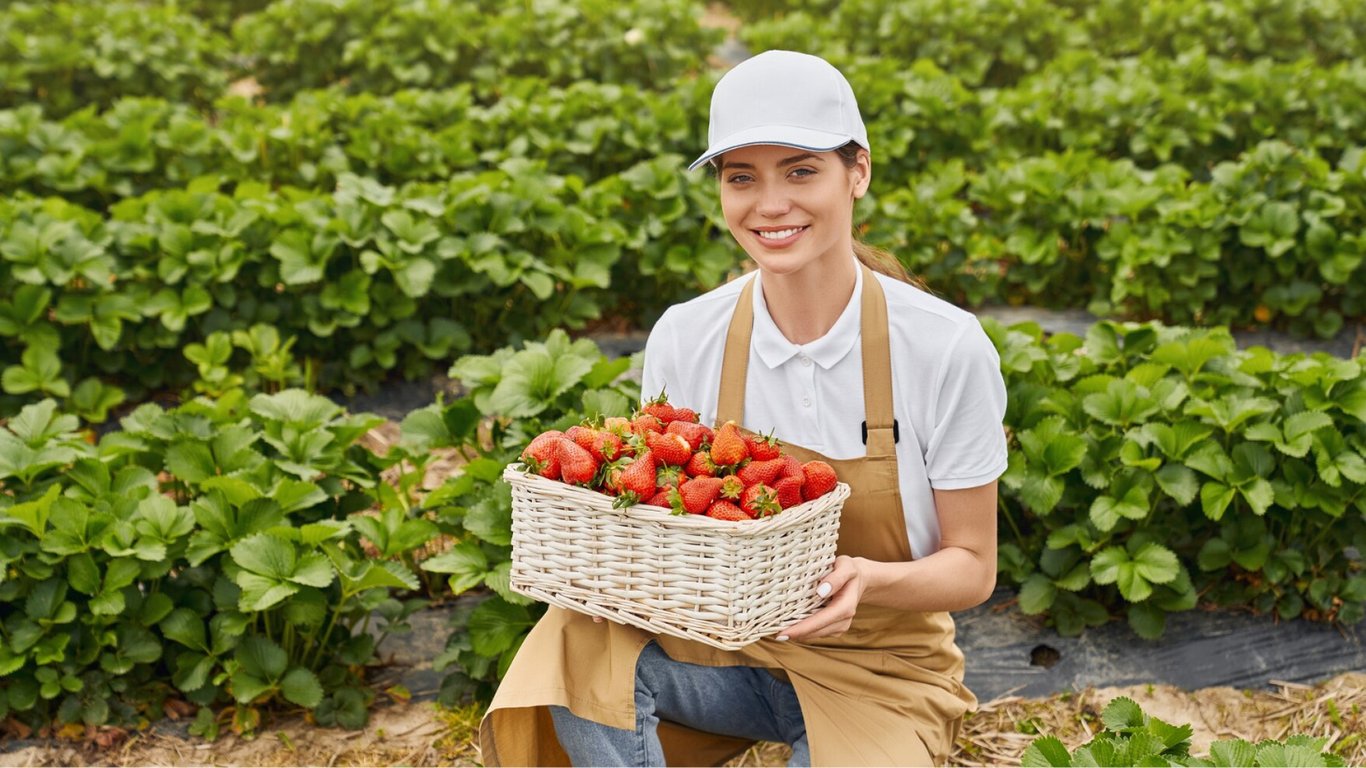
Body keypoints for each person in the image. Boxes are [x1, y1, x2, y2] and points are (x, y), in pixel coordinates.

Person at [479, 50, 1008, 766]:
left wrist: (869, 580)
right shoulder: (687, 335)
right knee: (571, 640)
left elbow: (972, 567)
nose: (770, 204)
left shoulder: (943, 346)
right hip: (719, 649)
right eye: (741, 177)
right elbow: (668, 525)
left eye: (800, 171)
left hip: (880, 672)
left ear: (858, 172)